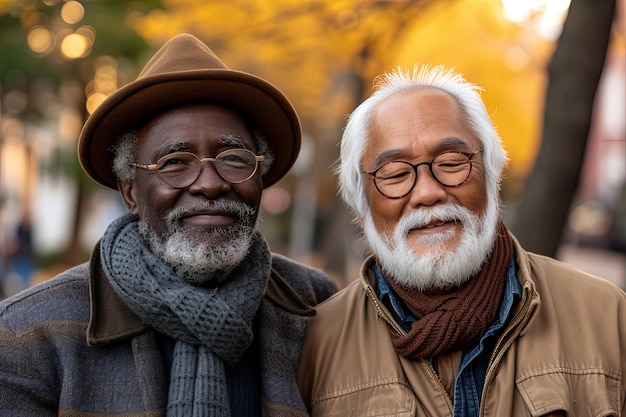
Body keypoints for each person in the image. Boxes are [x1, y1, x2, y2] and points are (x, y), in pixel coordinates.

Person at [0, 33, 337, 416]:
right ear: (130, 192)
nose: (210, 184)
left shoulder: (316, 306)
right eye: (175, 163)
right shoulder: (28, 335)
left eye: (234, 159)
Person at [297, 64, 626, 415]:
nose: (427, 192)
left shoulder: (606, 317)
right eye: (394, 174)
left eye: (451, 163)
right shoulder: (314, 347)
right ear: (362, 211)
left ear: (492, 179)